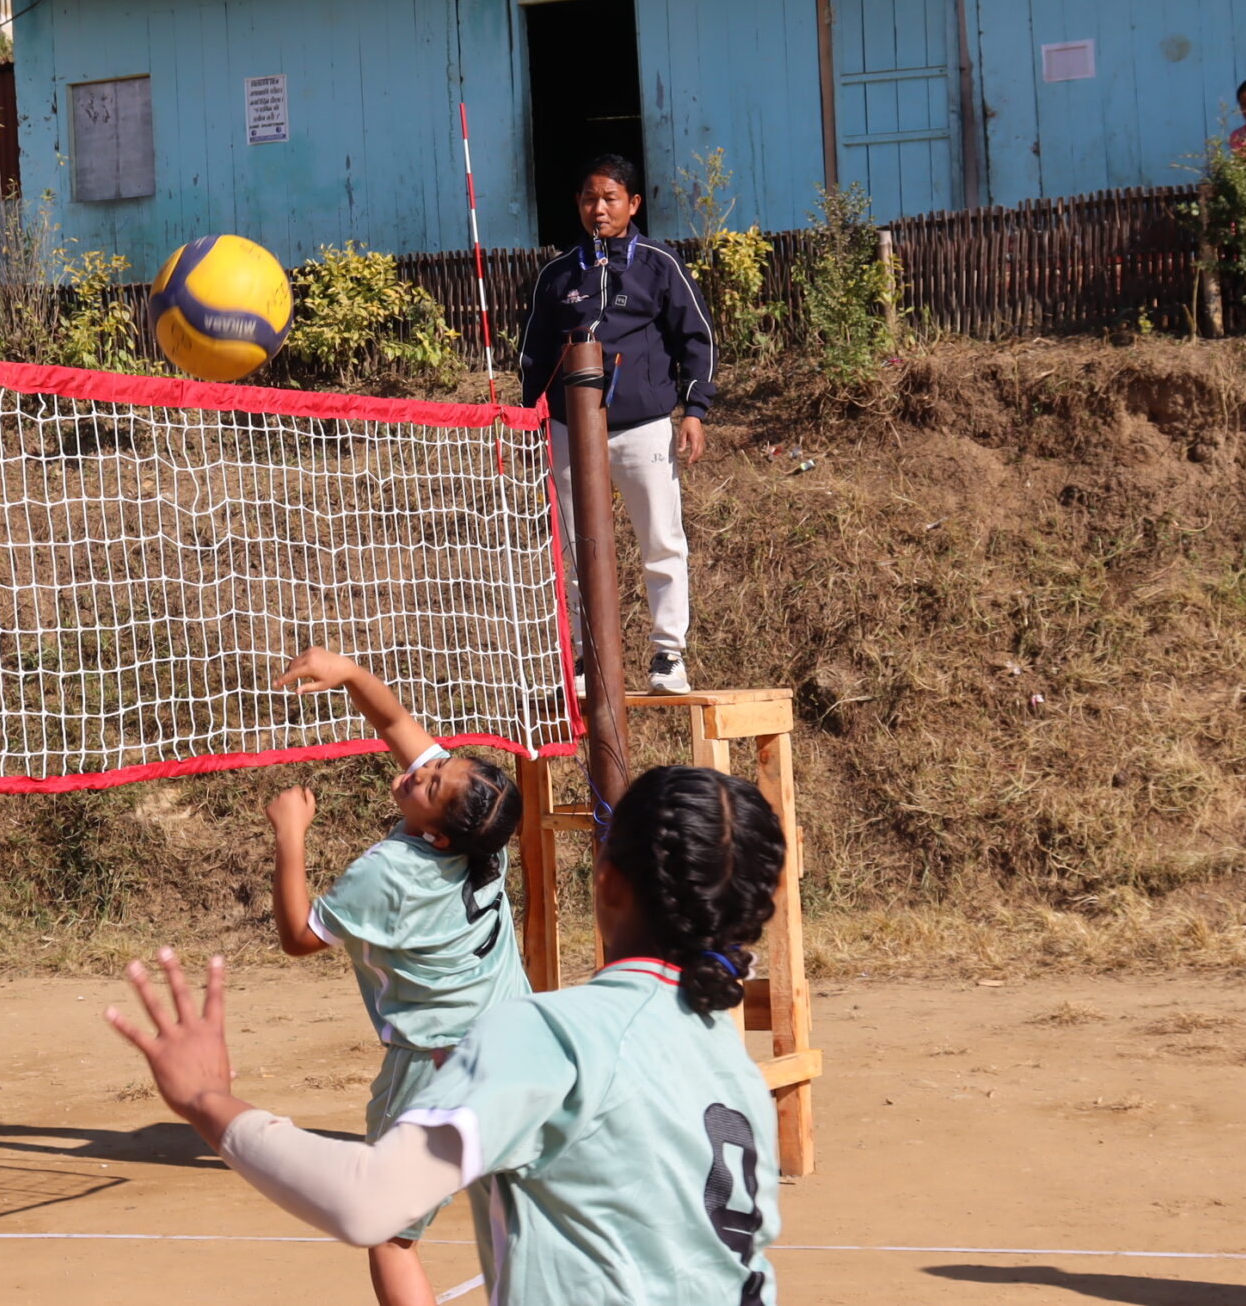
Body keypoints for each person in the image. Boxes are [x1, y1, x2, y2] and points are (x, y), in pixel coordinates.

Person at [109, 765, 786, 1306]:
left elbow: (368, 1201)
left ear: (606, 882)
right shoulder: (734, 1068)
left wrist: (207, 1100)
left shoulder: (551, 1034)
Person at [265, 646, 528, 1306]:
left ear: (439, 832)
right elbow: (396, 725)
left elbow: (299, 936)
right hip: (520, 1048)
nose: (422, 770)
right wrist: (350, 672)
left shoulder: (390, 873)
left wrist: (290, 835)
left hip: (432, 1067)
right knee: (520, 1216)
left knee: (388, 1232)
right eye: (437, 764)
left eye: (432, 781)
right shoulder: (484, 840)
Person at [517, 157, 717, 697]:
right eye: (588, 198)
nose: (598, 208)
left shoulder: (660, 265)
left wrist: (694, 412)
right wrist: (528, 419)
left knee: (661, 541)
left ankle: (668, 656)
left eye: (609, 197)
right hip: (567, 430)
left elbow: (696, 339)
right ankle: (588, 661)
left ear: (633, 204)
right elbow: (534, 357)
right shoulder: (557, 276)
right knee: (579, 550)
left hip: (644, 427)